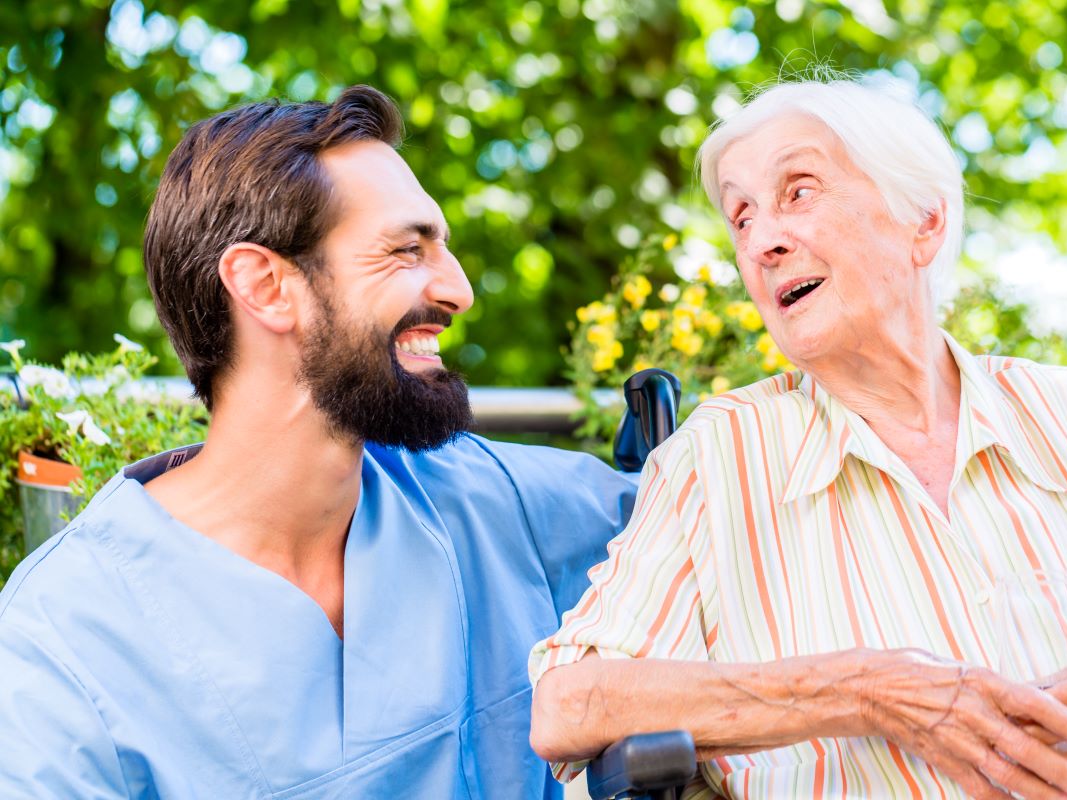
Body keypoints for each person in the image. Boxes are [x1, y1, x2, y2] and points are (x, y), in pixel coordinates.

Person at [529, 77, 1067, 800]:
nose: (763, 241)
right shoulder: (717, 461)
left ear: (925, 223)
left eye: (799, 191)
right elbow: (569, 707)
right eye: (742, 215)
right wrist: (863, 689)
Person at [0, 86, 637, 798]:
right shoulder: (64, 639)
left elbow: (722, 517)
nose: (458, 289)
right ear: (266, 286)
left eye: (443, 249)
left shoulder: (485, 499)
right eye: (406, 249)